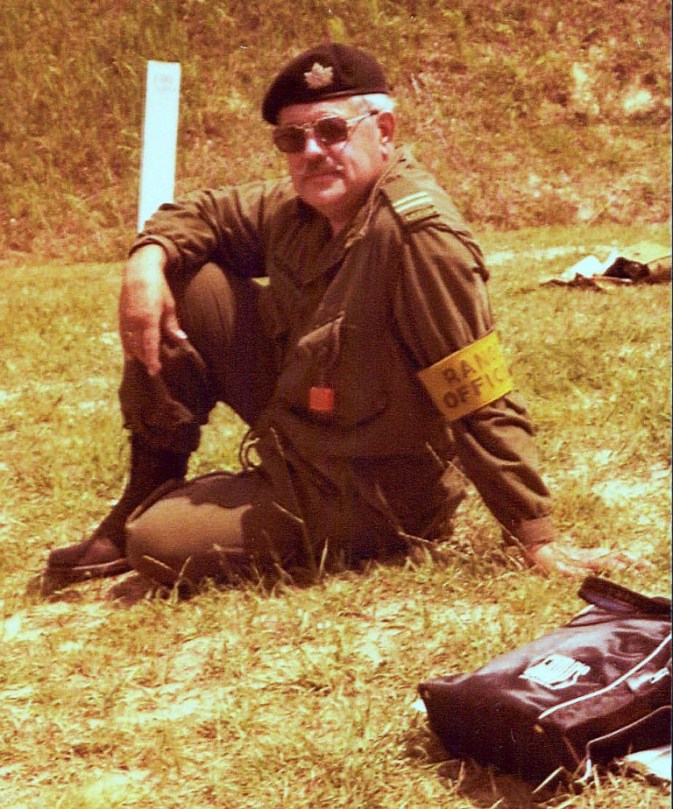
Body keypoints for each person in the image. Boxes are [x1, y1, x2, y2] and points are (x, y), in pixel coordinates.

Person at [45, 43, 636, 591]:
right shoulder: (304, 206)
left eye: (332, 131)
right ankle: (146, 487)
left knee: (157, 543)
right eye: (292, 139)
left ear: (384, 131)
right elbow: (204, 212)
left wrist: (534, 535)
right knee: (179, 273)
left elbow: (475, 392)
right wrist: (146, 261)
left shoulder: (416, 237)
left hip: (373, 486)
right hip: (308, 427)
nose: (311, 152)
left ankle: (187, 514)